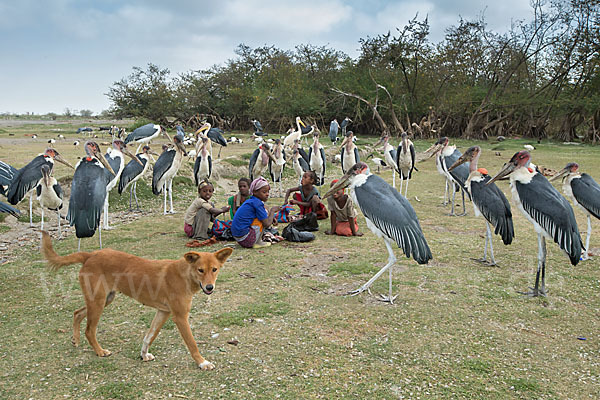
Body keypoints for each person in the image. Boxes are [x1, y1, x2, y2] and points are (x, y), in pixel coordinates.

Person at [231, 177, 280, 248]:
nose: (267, 194)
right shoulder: (257, 203)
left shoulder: (251, 201)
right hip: (246, 239)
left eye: (268, 192)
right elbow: (266, 224)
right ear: (255, 192)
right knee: (263, 216)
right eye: (264, 192)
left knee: (262, 214)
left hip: (239, 238)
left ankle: (256, 240)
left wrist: (271, 217)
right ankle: (258, 242)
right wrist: (272, 211)